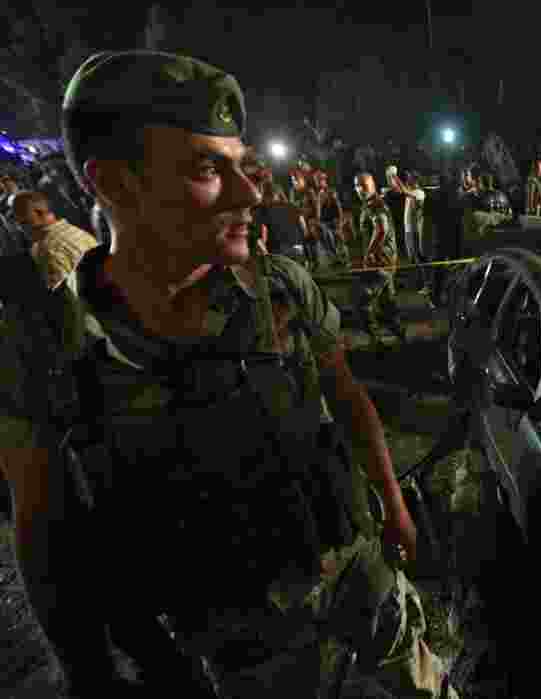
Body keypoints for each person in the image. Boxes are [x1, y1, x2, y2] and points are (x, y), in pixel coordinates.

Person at [0, 49, 453, 698]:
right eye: (208, 168)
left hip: (353, 567)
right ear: (114, 183)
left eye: (242, 165)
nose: (250, 193)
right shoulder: (44, 344)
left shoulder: (279, 289)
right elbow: (44, 542)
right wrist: (91, 676)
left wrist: (394, 505)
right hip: (239, 639)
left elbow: (346, 395)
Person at [355, 172, 406, 349]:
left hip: (380, 263)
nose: (359, 189)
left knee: (363, 302)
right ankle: (400, 335)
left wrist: (369, 254)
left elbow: (381, 230)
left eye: (363, 185)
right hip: (385, 262)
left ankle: (375, 339)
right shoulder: (371, 204)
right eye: (357, 185)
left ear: (372, 185)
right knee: (387, 302)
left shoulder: (375, 205)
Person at [10, 190, 99, 291]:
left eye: (23, 223)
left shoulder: (46, 249)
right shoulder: (77, 231)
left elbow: (69, 295)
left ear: (39, 212)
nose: (21, 229)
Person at [388, 169, 431, 297]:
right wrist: (392, 178)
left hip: (415, 231)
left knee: (419, 258)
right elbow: (399, 189)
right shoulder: (411, 191)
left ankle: (427, 285)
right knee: (412, 258)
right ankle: (419, 283)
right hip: (408, 230)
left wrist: (395, 175)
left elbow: (404, 191)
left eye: (410, 178)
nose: (407, 181)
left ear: (415, 180)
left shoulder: (419, 193)